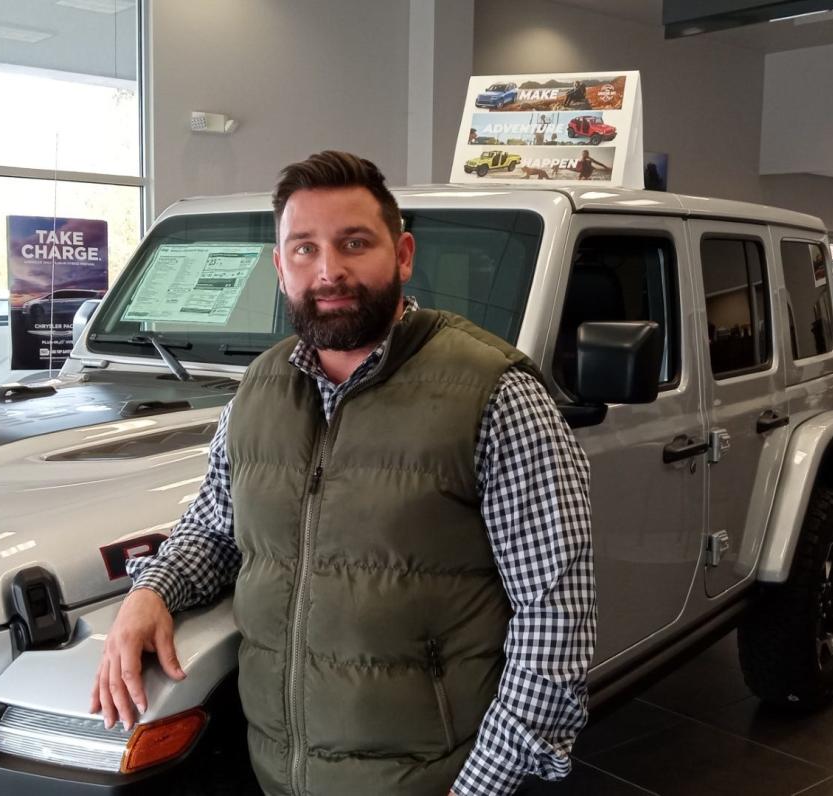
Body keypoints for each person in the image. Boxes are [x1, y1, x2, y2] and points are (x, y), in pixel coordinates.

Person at [91, 150, 596, 796]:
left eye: (354, 243)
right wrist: (150, 593)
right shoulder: (258, 391)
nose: (329, 270)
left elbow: (556, 620)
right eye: (304, 249)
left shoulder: (494, 395)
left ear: (404, 254)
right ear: (279, 268)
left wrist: (479, 788)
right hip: (281, 774)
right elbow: (214, 530)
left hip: (437, 779)